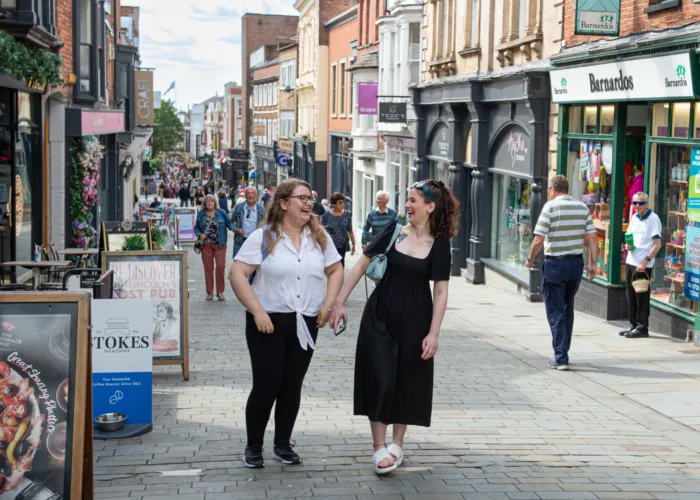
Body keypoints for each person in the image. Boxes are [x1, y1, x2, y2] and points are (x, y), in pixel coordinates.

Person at [329, 180, 458, 475]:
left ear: (430, 207)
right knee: (380, 377)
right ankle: (378, 447)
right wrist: (339, 303)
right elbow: (361, 264)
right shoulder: (393, 231)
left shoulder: (439, 245)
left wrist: (434, 332)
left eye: (413, 201)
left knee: (408, 381)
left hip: (417, 320)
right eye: (407, 201)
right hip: (380, 314)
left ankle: (397, 444)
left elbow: (440, 291)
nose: (408, 206)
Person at [229, 178, 344, 469]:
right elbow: (237, 274)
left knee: (292, 386)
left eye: (309, 198)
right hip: (267, 321)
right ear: (283, 203)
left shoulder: (319, 238)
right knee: (267, 385)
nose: (308, 203)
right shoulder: (264, 237)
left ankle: (282, 444)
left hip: (305, 320)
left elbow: (336, 269)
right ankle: (254, 446)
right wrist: (257, 311)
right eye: (301, 198)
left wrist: (328, 305)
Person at [525, 175, 598, 371]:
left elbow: (538, 239)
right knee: (567, 308)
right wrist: (593, 264)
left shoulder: (550, 207)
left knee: (555, 309)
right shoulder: (582, 207)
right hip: (576, 264)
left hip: (556, 264)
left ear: (553, 189)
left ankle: (561, 357)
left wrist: (531, 259)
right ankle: (563, 350)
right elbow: (592, 236)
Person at [620, 192, 662, 339]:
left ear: (647, 204)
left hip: (643, 265)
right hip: (631, 262)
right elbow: (629, 236)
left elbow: (657, 245)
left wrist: (645, 261)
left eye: (640, 203)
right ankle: (633, 325)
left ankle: (642, 327)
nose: (637, 206)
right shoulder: (634, 218)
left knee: (641, 297)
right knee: (630, 295)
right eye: (635, 203)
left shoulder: (653, 219)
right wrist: (627, 245)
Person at [195, 194, 236, 301]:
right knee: (208, 269)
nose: (210, 203)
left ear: (215, 203)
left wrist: (237, 230)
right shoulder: (201, 214)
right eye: (208, 201)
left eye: (212, 201)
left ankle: (220, 292)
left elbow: (229, 224)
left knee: (220, 267)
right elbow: (196, 228)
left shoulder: (221, 213)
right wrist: (199, 234)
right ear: (205, 203)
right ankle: (209, 293)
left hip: (220, 245)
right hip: (206, 245)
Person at [322, 192, 355, 267]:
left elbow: (350, 230)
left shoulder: (346, 214)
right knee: (331, 266)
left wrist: (353, 244)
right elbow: (323, 230)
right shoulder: (327, 215)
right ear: (334, 204)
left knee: (340, 265)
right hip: (330, 245)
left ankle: (340, 278)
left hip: (342, 245)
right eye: (340, 203)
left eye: (343, 202)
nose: (342, 204)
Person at [231, 186, 266, 257]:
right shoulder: (239, 207)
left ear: (256, 195)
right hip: (240, 241)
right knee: (238, 263)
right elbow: (230, 223)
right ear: (245, 195)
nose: (250, 195)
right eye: (248, 193)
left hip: (255, 242)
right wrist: (236, 230)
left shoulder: (261, 209)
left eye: (252, 193)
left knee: (253, 264)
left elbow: (265, 224)